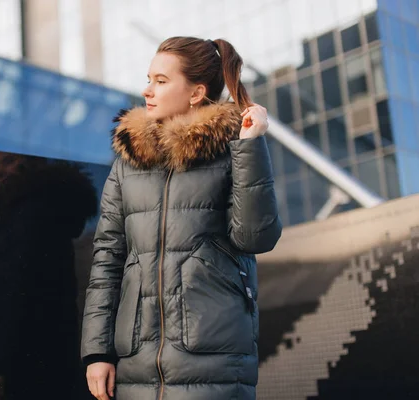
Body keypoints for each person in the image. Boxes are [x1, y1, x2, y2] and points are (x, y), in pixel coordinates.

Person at [80, 36, 282, 400]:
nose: (147, 90)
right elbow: (107, 260)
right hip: (135, 364)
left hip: (212, 361)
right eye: (148, 79)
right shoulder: (127, 163)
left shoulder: (231, 151)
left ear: (195, 92)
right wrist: (97, 352)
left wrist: (250, 145)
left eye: (161, 80)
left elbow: (255, 238)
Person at [0, 152, 98, 399]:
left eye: (10, 160)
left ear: (32, 162)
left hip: (26, 364)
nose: (1, 171)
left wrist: (0, 367)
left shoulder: (28, 216)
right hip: (52, 359)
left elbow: (12, 295)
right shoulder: (50, 213)